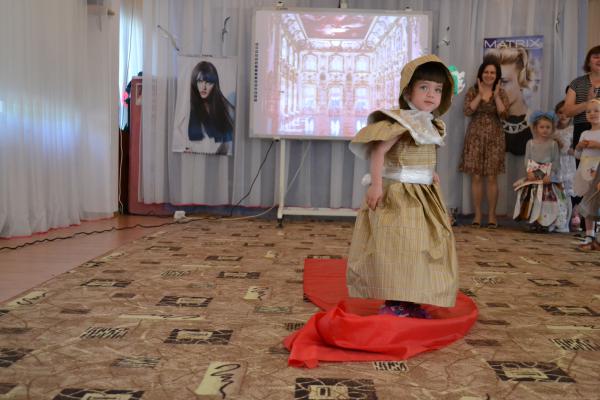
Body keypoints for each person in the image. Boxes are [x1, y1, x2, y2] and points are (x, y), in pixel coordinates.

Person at [346, 54, 458, 318]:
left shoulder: (431, 124)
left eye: (437, 89)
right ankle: (394, 300)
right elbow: (379, 152)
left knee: (422, 245)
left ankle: (411, 299)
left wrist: (430, 172)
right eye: (424, 87)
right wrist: (376, 185)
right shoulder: (400, 123)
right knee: (400, 244)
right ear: (408, 91)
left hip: (423, 195)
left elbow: (422, 152)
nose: (431, 94)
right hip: (401, 194)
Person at [459, 60, 510, 228]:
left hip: (495, 138)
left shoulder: (501, 92)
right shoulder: (473, 90)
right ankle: (478, 214)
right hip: (475, 137)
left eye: (492, 73)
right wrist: (480, 95)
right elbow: (467, 111)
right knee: (476, 176)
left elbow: (504, 114)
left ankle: (492, 215)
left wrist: (496, 97)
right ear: (481, 74)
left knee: (492, 177)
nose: (489, 75)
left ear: (497, 76)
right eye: (486, 72)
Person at [512, 112, 569, 232]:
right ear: (535, 128)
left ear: (552, 128)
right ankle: (532, 222)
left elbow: (556, 161)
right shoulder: (530, 143)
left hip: (546, 177)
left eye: (548, 127)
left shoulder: (553, 144)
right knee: (533, 199)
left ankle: (545, 223)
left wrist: (550, 175)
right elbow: (527, 159)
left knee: (545, 201)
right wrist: (529, 172)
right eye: (542, 127)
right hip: (533, 176)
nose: (545, 130)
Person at [483, 48, 537, 156]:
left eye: (504, 82)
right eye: (494, 81)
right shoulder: (489, 119)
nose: (497, 88)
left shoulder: (535, 122)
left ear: (521, 81)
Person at [186, 61, 235, 155]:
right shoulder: (191, 108)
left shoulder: (227, 110)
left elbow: (228, 146)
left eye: (208, 82)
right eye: (200, 81)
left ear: (215, 85)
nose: (203, 87)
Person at [573, 98, 600, 248]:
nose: (592, 113)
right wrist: (578, 147)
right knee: (587, 202)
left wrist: (597, 145)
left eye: (596, 110)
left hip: (598, 172)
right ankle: (589, 235)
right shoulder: (584, 133)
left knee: (597, 203)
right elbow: (578, 156)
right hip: (585, 171)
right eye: (589, 111)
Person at [553, 100, 577, 228]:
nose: (563, 116)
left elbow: (575, 149)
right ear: (556, 113)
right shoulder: (553, 130)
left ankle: (570, 218)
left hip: (568, 164)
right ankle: (558, 219)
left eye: (567, 113)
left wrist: (566, 149)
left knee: (568, 192)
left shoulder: (572, 129)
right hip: (557, 164)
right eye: (560, 112)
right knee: (558, 192)